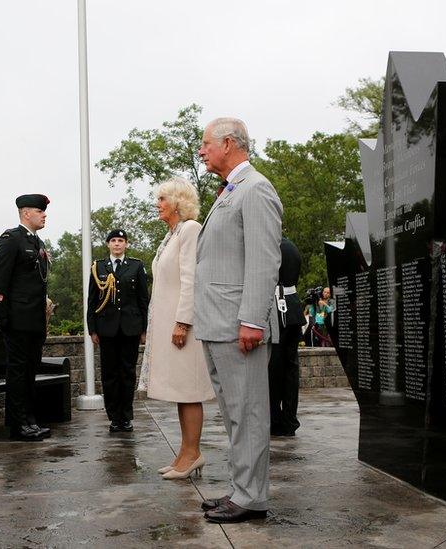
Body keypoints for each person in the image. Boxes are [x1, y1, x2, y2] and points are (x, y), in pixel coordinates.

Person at [194, 117, 283, 524]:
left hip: (238, 324)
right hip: (217, 323)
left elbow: (264, 261)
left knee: (248, 412)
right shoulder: (231, 190)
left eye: (205, 143)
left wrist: (252, 320)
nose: (201, 151)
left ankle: (250, 497)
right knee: (234, 413)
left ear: (228, 143)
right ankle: (242, 489)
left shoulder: (256, 188)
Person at [138, 177, 215, 479]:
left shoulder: (190, 230)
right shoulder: (171, 235)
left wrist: (183, 322)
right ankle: (184, 452)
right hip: (169, 323)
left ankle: (193, 454)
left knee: (189, 390)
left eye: (162, 199)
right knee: (181, 393)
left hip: (185, 326)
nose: (157, 205)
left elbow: (190, 279)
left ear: (177, 203)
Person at [0, 194, 52, 442]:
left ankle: (29, 420)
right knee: (17, 372)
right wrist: (1, 315)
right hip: (17, 319)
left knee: (29, 371)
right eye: (40, 211)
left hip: (35, 320)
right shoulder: (11, 239)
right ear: (26, 213)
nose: (44, 215)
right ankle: (17, 425)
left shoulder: (37, 242)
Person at [87, 229, 149, 433]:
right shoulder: (98, 267)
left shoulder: (136, 266)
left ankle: (126, 416)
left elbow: (143, 300)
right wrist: (92, 329)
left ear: (126, 244)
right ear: (108, 245)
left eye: (120, 240)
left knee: (128, 373)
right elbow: (92, 301)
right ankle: (114, 418)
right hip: (107, 329)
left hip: (130, 328)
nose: (117, 244)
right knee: (109, 374)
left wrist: (144, 329)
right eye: (113, 240)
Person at [269, 236, 305, 437]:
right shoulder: (291, 246)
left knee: (274, 368)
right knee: (291, 369)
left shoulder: (271, 245)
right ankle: (290, 419)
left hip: (276, 308)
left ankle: (275, 419)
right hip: (292, 307)